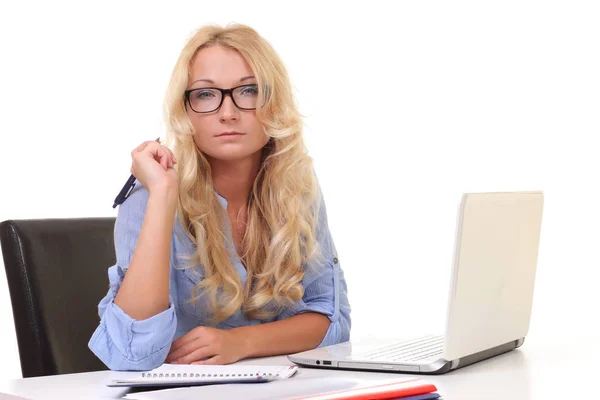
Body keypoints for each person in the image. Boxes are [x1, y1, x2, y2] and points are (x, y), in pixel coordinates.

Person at [88, 23, 351, 371]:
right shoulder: (149, 195)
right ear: (186, 110)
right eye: (206, 94)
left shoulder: (294, 188)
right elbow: (131, 354)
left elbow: (332, 320)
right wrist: (164, 195)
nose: (228, 112)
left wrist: (241, 343)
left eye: (249, 90)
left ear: (275, 102)